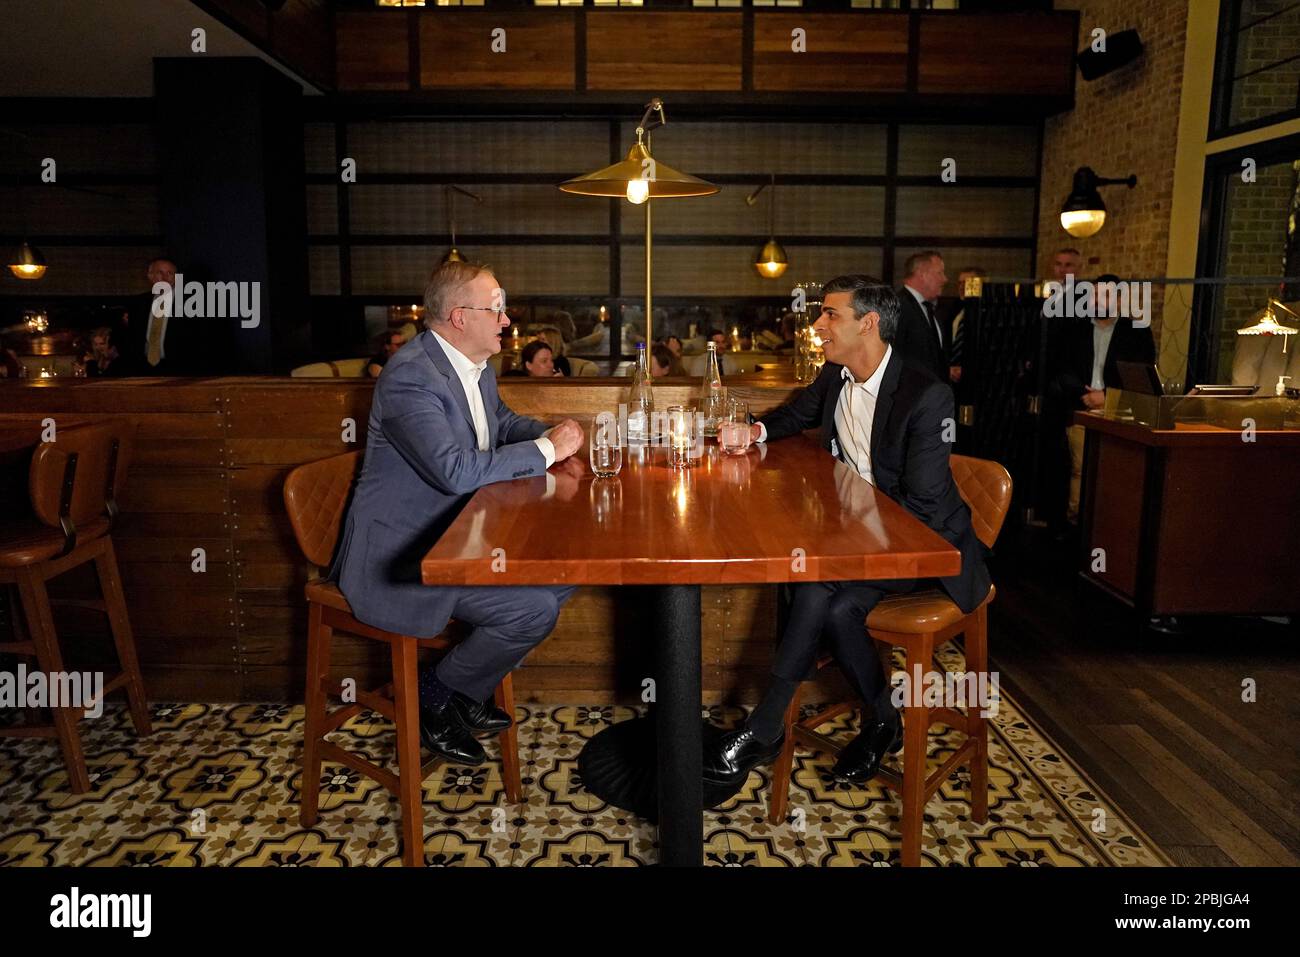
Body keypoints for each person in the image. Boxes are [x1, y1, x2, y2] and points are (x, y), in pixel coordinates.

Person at [703, 274, 990, 787]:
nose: (818, 324)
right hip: (864, 539)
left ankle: (771, 726)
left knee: (818, 583)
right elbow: (801, 411)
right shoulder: (835, 376)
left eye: (830, 314)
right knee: (830, 600)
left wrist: (843, 538)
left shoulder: (927, 396)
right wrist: (756, 430)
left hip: (926, 547)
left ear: (869, 324)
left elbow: (921, 509)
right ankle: (879, 719)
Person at [331, 260, 584, 765]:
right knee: (533, 609)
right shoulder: (411, 378)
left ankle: (457, 693)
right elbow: (453, 472)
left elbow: (500, 423)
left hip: (456, 539)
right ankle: (433, 697)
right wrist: (547, 452)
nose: (508, 320)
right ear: (460, 317)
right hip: (405, 555)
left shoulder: (474, 366)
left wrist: (556, 434)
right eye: (497, 309)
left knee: (564, 573)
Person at [1049, 273, 1156, 524]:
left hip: (1121, 412)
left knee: (1117, 469)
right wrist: (1085, 395)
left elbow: (1142, 375)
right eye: (1094, 295)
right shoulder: (1075, 330)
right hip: (1082, 408)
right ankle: (1078, 525)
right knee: (1081, 469)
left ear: (1119, 300)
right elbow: (1061, 368)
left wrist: (1107, 396)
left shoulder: (1136, 333)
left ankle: (1110, 524)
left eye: (1105, 295)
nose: (1097, 300)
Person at [894, 251, 949, 382]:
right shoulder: (898, 306)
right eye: (939, 273)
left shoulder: (932, 308)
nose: (945, 279)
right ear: (922, 274)